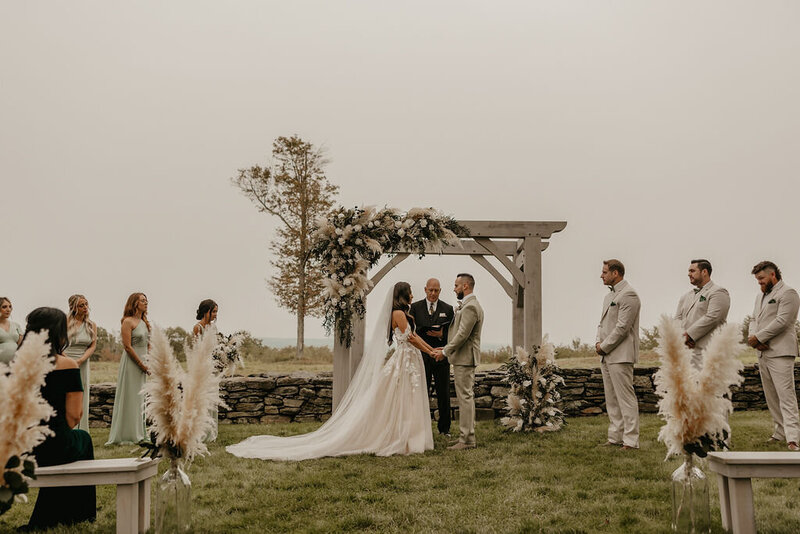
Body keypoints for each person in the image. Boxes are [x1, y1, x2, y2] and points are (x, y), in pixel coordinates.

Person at [226, 281, 436, 460]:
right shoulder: (398, 313)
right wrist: (431, 350)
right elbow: (410, 338)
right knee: (403, 398)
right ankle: (402, 438)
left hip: (410, 359)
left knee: (408, 398)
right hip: (405, 359)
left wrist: (429, 350)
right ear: (403, 294)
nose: (412, 294)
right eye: (409, 291)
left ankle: (409, 436)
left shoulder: (402, 312)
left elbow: (413, 338)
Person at [21, 307, 96, 530]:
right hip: (53, 444)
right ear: (58, 333)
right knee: (83, 439)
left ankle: (49, 515)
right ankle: (81, 513)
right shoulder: (67, 365)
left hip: (21, 446)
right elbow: (74, 416)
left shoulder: (16, 366)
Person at [747, 261, 800, 451]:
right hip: (763, 352)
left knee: (786, 395)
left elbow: (783, 321)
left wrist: (759, 337)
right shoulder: (759, 296)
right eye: (757, 279)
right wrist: (752, 338)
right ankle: (780, 432)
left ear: (773, 275)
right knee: (771, 396)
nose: (759, 283)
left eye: (761, 279)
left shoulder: (789, 293)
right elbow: (754, 319)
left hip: (781, 352)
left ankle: (793, 438)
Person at [433, 273, 483, 451]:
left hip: (465, 358)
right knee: (465, 397)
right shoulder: (468, 305)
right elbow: (457, 333)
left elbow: (463, 334)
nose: (454, 289)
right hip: (462, 358)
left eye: (456, 286)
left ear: (465, 286)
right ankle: (466, 436)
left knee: (465, 398)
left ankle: (467, 439)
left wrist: (445, 351)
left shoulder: (470, 307)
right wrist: (444, 347)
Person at [595, 259, 641, 450]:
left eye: (605, 272)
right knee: (611, 399)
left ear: (616, 273)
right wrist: (598, 341)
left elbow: (623, 327)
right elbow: (602, 323)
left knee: (625, 399)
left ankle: (631, 440)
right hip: (606, 354)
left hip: (621, 355)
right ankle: (615, 437)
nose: (601, 275)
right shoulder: (608, 297)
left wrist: (604, 346)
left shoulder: (629, 295)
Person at [409, 278, 455, 436]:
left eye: (436, 290)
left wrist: (442, 333)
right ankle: (421, 428)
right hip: (422, 357)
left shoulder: (448, 309)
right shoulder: (414, 308)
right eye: (430, 290)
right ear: (425, 289)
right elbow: (411, 331)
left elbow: (453, 333)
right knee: (422, 392)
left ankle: (444, 429)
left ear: (440, 291)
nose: (433, 293)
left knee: (444, 393)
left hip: (442, 357)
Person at [106, 293, 150, 445]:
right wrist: (141, 365)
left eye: (146, 300)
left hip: (145, 363)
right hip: (132, 363)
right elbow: (127, 346)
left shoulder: (145, 322)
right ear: (135, 303)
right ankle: (127, 434)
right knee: (130, 396)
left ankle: (140, 432)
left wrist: (150, 361)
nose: (146, 302)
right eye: (143, 300)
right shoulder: (127, 322)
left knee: (140, 399)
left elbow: (148, 343)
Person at [674, 259, 731, 370]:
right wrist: (680, 338)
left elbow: (713, 317)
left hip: (708, 351)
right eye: (689, 271)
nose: (689, 274)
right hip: (686, 352)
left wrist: (689, 335)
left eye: (692, 271)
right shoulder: (686, 296)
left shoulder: (718, 292)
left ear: (704, 272)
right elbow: (677, 318)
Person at [65, 294, 97, 430]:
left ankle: (82, 428)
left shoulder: (91, 325)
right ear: (73, 307)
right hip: (66, 361)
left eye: (86, 304)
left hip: (83, 362)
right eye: (81, 305)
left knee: (82, 393)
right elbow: (58, 344)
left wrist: (82, 360)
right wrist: (68, 360)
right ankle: (67, 427)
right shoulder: (64, 323)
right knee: (67, 394)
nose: (85, 308)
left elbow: (93, 346)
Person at [194, 298, 219, 442]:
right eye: (213, 311)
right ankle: (202, 433)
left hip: (214, 368)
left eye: (216, 312)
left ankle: (212, 432)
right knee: (204, 400)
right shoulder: (198, 328)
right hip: (204, 368)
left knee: (213, 399)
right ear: (206, 311)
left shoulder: (214, 328)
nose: (215, 314)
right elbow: (197, 351)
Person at [0, 296, 24, 364]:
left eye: (10, 306)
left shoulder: (16, 325)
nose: (8, 309)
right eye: (4, 307)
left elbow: (21, 347)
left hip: (16, 367)